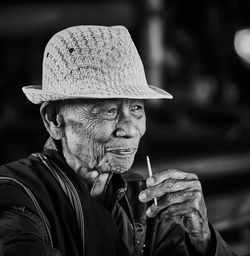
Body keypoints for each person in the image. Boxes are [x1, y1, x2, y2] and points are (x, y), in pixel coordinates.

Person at [0, 25, 237, 256]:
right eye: (109, 111)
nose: (131, 129)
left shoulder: (143, 199)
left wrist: (203, 238)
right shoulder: (15, 193)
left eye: (136, 108)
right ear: (54, 120)